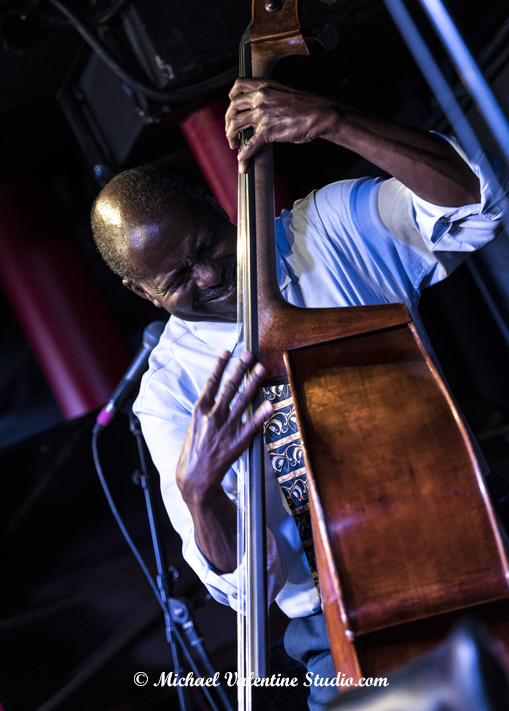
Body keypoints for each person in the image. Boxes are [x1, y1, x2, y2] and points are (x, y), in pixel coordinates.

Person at [90, 78, 508, 709]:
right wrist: (199, 494)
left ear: (217, 204)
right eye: (176, 279)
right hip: (335, 625)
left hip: (472, 537)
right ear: (142, 294)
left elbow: (478, 205)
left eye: (206, 245)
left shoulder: (328, 229)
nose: (208, 276)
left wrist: (336, 122)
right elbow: (249, 588)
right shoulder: (169, 394)